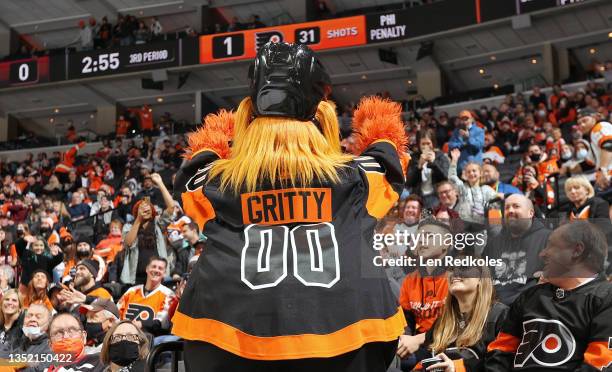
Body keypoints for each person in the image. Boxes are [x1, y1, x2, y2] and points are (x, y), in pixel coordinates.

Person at [172, 43, 408, 371]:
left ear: (249, 117)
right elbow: (389, 158)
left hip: (230, 332)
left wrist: (219, 133)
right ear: (320, 115)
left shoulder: (218, 185)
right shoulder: (355, 180)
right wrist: (377, 122)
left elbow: (192, 172)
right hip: (347, 331)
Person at [486, 221, 612, 371]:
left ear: (577, 251)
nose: (542, 253)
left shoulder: (605, 298)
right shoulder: (529, 296)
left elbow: (600, 363)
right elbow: (500, 351)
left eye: (551, 246)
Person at [415, 259, 508, 372]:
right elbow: (424, 362)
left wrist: (457, 368)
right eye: (451, 269)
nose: (455, 272)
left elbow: (500, 366)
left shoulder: (500, 315)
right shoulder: (441, 322)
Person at [397, 219, 450, 369]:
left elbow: (459, 326)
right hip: (420, 346)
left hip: (449, 344)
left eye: (429, 236)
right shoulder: (409, 280)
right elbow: (406, 320)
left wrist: (419, 340)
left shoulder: (457, 277)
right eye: (419, 237)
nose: (422, 241)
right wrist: (405, 340)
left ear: (446, 243)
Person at [483, 194, 552, 305]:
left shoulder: (549, 239)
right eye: (506, 207)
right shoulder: (494, 243)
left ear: (531, 213)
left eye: (516, 206)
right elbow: (482, 276)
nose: (510, 210)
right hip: (494, 308)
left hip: (531, 306)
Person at [122, 173, 173, 286]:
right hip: (136, 277)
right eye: (142, 207)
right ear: (136, 211)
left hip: (158, 275)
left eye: (148, 207)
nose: (146, 209)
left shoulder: (157, 224)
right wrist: (138, 220)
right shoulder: (129, 226)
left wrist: (160, 183)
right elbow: (128, 243)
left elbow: (171, 208)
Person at [117, 257, 175, 336]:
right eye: (153, 267)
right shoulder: (132, 291)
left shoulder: (168, 294)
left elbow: (162, 323)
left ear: (164, 273)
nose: (156, 270)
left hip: (147, 338)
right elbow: (116, 314)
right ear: (147, 269)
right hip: (121, 333)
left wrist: (141, 324)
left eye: (160, 268)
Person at [448, 148, 498, 226]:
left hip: (482, 229)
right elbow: (452, 178)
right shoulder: (463, 189)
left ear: (480, 173)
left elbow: (495, 208)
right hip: (465, 228)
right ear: (465, 175)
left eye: (474, 171)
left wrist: (495, 228)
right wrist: (454, 160)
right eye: (468, 172)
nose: (471, 173)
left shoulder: (487, 190)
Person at [0, 304, 53, 371]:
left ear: (48, 324)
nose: (32, 319)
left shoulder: (50, 348)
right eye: (29, 316)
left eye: (38, 317)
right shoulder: (15, 342)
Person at [406, 129, 450, 208]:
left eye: (428, 143)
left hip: (436, 196)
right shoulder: (414, 158)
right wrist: (419, 166)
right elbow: (409, 182)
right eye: (423, 144)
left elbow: (445, 178)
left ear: (433, 143)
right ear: (419, 144)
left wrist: (433, 164)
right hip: (419, 196)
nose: (426, 146)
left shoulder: (440, 156)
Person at [577, 107, 612, 190]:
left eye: (585, 120)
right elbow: (588, 164)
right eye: (579, 123)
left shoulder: (600, 127)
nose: (582, 125)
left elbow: (609, 146)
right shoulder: (593, 137)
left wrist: (602, 170)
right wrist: (566, 169)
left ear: (595, 117)